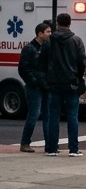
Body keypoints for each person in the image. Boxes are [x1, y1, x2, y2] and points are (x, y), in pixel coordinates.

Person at [43, 12, 86, 157]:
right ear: (69, 23)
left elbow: (43, 61)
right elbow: (82, 62)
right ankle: (73, 148)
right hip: (71, 83)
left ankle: (52, 148)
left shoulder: (49, 41)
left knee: (53, 116)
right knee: (72, 116)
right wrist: (78, 77)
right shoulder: (76, 40)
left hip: (54, 83)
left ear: (57, 23)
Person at [17, 21, 51, 152]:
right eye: (47, 32)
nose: (50, 34)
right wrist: (33, 81)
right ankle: (25, 143)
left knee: (47, 114)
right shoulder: (29, 49)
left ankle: (50, 144)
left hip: (45, 86)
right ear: (40, 34)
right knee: (34, 114)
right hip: (34, 87)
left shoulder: (46, 48)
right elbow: (23, 68)